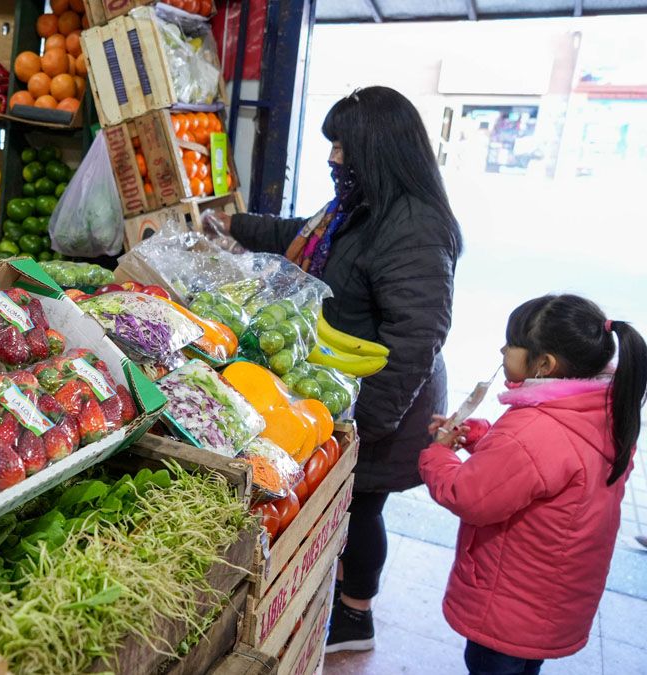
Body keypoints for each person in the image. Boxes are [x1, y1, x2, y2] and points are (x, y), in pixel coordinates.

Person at [205, 86, 462, 652]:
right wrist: (235, 224)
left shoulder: (414, 226)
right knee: (349, 503)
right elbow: (302, 234)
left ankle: (356, 616)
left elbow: (415, 337)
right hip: (348, 387)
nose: (333, 158)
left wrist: (366, 425)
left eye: (343, 147)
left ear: (376, 151)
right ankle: (345, 598)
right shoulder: (360, 207)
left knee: (361, 505)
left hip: (387, 396)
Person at [420, 295, 645, 675]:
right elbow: (539, 466)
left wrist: (437, 454)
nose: (502, 350)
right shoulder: (602, 411)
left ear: (545, 364)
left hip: (509, 605)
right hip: (551, 603)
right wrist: (479, 436)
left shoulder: (533, 430)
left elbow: (469, 495)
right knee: (525, 665)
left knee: (491, 665)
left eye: (511, 343)